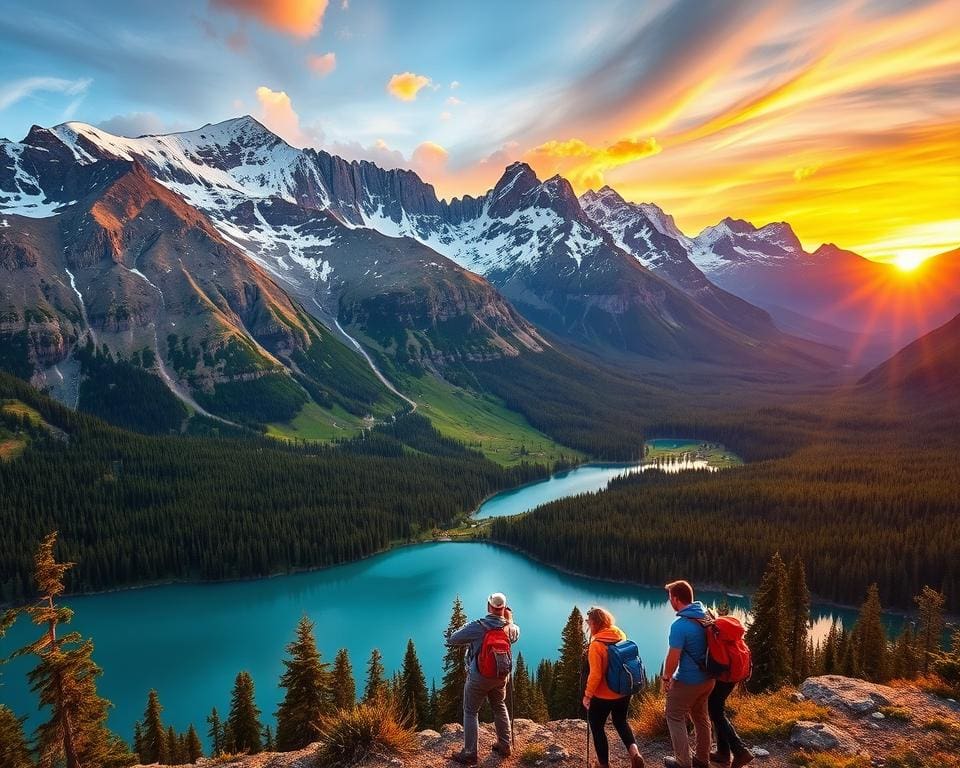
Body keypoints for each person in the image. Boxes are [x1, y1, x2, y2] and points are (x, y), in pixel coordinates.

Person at [445, 592, 520, 765]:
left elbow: (453, 639)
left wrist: (467, 627)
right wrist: (511, 620)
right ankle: (504, 744)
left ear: (489, 606)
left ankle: (470, 753)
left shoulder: (479, 626)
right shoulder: (510, 628)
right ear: (503, 608)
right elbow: (515, 633)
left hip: (479, 677)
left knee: (471, 711)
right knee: (499, 706)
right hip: (501, 676)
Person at [581, 606, 645, 768]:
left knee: (597, 727)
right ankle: (635, 753)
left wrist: (588, 695)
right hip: (624, 690)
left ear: (595, 623)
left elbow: (596, 675)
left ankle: (603, 764)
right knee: (621, 721)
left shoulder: (597, 645)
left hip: (604, 695)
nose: (588, 625)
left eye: (589, 622)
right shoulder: (619, 634)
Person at [662, 580, 715, 768]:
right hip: (708, 679)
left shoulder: (680, 625)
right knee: (701, 716)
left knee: (674, 716)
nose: (669, 601)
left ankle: (683, 762)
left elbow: (673, 657)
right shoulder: (705, 615)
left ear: (676, 599)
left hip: (688, 681)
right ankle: (702, 759)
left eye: (670, 597)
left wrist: (667, 677)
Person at [708, 670, 754, 767]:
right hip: (731, 675)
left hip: (722, 675)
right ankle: (723, 752)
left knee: (716, 712)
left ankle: (740, 751)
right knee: (717, 711)